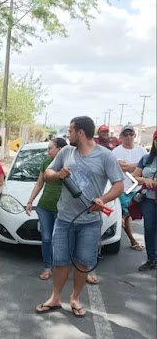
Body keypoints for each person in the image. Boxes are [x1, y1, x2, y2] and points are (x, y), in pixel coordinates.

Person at [35, 116, 124, 318]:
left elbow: (119, 185)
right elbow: (48, 173)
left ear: (81, 133)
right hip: (64, 218)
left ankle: (75, 299)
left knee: (83, 262)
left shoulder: (105, 156)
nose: (68, 135)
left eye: (71, 131)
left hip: (90, 223)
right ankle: (55, 298)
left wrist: (102, 199)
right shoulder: (66, 151)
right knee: (60, 261)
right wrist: (58, 175)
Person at [26, 138, 67, 280]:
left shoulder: (69, 165)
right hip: (44, 207)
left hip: (62, 209)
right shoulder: (46, 163)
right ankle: (47, 267)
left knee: (60, 239)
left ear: (60, 150)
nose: (48, 151)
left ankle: (60, 267)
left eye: (50, 148)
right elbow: (39, 184)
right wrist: (30, 201)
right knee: (46, 238)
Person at [112, 125, 147, 250]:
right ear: (120, 137)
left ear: (135, 136)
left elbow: (144, 167)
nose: (128, 137)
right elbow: (124, 168)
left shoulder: (142, 151)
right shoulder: (116, 152)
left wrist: (133, 166)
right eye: (125, 134)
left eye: (131, 134)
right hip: (123, 188)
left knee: (134, 214)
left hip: (140, 188)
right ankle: (132, 240)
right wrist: (138, 165)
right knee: (126, 215)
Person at [132, 130, 157, 271]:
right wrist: (145, 180)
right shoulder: (146, 158)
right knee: (149, 228)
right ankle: (151, 259)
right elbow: (134, 177)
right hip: (148, 199)